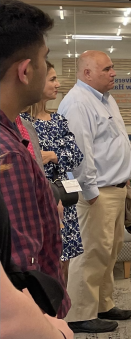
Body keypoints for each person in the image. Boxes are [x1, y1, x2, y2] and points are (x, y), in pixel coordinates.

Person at [0, 0, 92, 339]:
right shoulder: (7, 157)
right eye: (43, 61)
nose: (46, 71)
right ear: (24, 70)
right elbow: (26, 277)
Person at [59, 50, 131, 333]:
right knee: (91, 252)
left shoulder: (105, 98)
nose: (113, 73)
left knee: (108, 251)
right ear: (87, 73)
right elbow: (80, 153)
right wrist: (90, 191)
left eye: (112, 67)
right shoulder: (78, 103)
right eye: (107, 69)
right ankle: (79, 314)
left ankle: (102, 304)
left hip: (113, 189)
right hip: (96, 193)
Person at [22, 61, 84, 284]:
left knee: (64, 259)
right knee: (42, 260)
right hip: (38, 199)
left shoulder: (58, 120)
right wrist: (52, 154)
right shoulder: (21, 122)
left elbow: (76, 154)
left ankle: (62, 312)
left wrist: (53, 155)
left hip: (64, 197)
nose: (58, 84)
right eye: (52, 79)